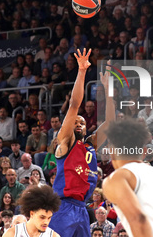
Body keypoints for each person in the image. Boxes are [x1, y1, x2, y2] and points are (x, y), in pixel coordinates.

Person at [48, 49, 115, 236]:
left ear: (87, 128)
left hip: (82, 208)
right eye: (75, 122)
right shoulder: (66, 143)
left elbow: (110, 122)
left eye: (82, 122)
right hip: (63, 207)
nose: (78, 124)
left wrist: (108, 92)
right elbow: (74, 105)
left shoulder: (90, 145)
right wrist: (82, 71)